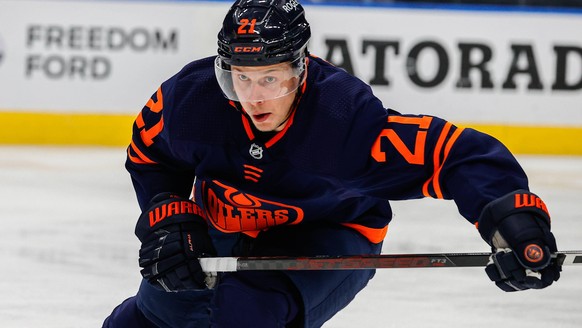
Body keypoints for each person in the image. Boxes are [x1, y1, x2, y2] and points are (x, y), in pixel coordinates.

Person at [103, 0, 561, 327]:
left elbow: (456, 154)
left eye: (270, 78)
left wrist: (513, 224)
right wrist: (168, 218)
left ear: (300, 70)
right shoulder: (192, 101)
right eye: (240, 78)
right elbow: (150, 156)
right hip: (225, 223)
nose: (254, 96)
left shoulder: (343, 122)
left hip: (330, 232)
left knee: (248, 310)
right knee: (159, 311)